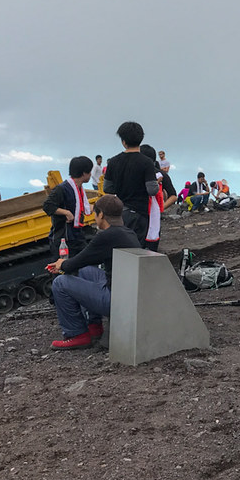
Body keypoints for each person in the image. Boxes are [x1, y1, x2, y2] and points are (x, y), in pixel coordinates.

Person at [48, 195, 141, 350]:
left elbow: (76, 262)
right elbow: (86, 261)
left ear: (102, 214)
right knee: (86, 271)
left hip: (117, 300)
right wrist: (66, 264)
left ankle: (77, 335)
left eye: (95, 213)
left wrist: (61, 264)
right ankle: (94, 326)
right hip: (128, 293)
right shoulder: (127, 232)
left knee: (60, 283)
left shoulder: (107, 236)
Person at [102, 121, 159, 245]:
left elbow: (107, 188)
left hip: (120, 212)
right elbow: (152, 190)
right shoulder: (146, 162)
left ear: (123, 141)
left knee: (120, 247)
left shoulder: (113, 161)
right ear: (141, 139)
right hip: (139, 213)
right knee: (136, 248)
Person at [41, 156, 95, 258]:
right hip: (63, 238)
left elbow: (82, 207)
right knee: (64, 269)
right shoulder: (62, 189)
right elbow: (47, 206)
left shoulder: (79, 189)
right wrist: (66, 212)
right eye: (89, 172)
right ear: (84, 173)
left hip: (77, 236)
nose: (90, 175)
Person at [139, 145, 166, 250]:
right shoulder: (158, 175)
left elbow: (153, 190)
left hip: (148, 211)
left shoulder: (160, 175)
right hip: (144, 212)